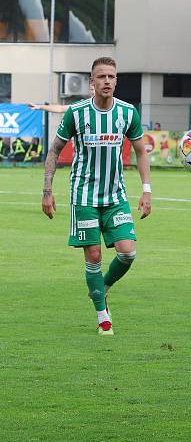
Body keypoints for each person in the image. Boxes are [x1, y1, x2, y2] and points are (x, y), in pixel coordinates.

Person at [41, 56, 152, 336]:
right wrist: (47, 191)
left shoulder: (127, 113)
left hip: (116, 196)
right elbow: (54, 150)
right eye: (101, 77)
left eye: (111, 77)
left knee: (128, 252)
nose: (106, 81)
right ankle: (104, 317)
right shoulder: (76, 113)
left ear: (116, 80)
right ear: (92, 82)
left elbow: (140, 151)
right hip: (84, 196)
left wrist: (147, 190)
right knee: (93, 255)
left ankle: (101, 288)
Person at [29, 83, 95, 113]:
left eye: (95, 89)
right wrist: (40, 107)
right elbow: (61, 109)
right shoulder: (82, 104)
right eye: (91, 89)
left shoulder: (105, 105)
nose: (94, 92)